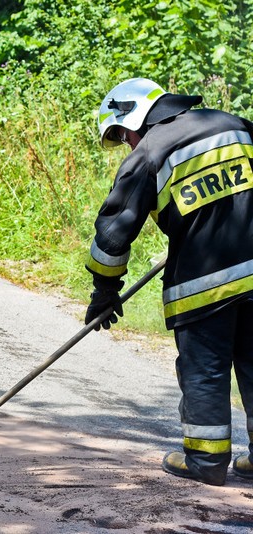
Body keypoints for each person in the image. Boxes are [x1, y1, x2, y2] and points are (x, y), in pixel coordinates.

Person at [86, 77, 253, 485]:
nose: (125, 143)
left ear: (131, 121)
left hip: (203, 283)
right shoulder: (235, 125)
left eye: (121, 135)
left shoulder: (149, 154)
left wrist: (105, 289)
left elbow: (112, 235)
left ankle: (206, 462)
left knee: (205, 370)